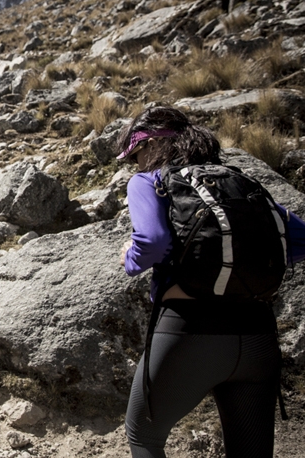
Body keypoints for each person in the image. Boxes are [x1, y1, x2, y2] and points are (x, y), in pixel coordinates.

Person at [117, 106, 305, 458]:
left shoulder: (149, 181)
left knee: (144, 434)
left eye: (137, 153)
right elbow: (298, 240)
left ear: (154, 143)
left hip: (187, 332)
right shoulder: (239, 182)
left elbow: (152, 242)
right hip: (257, 335)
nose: (137, 163)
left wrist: (130, 257)